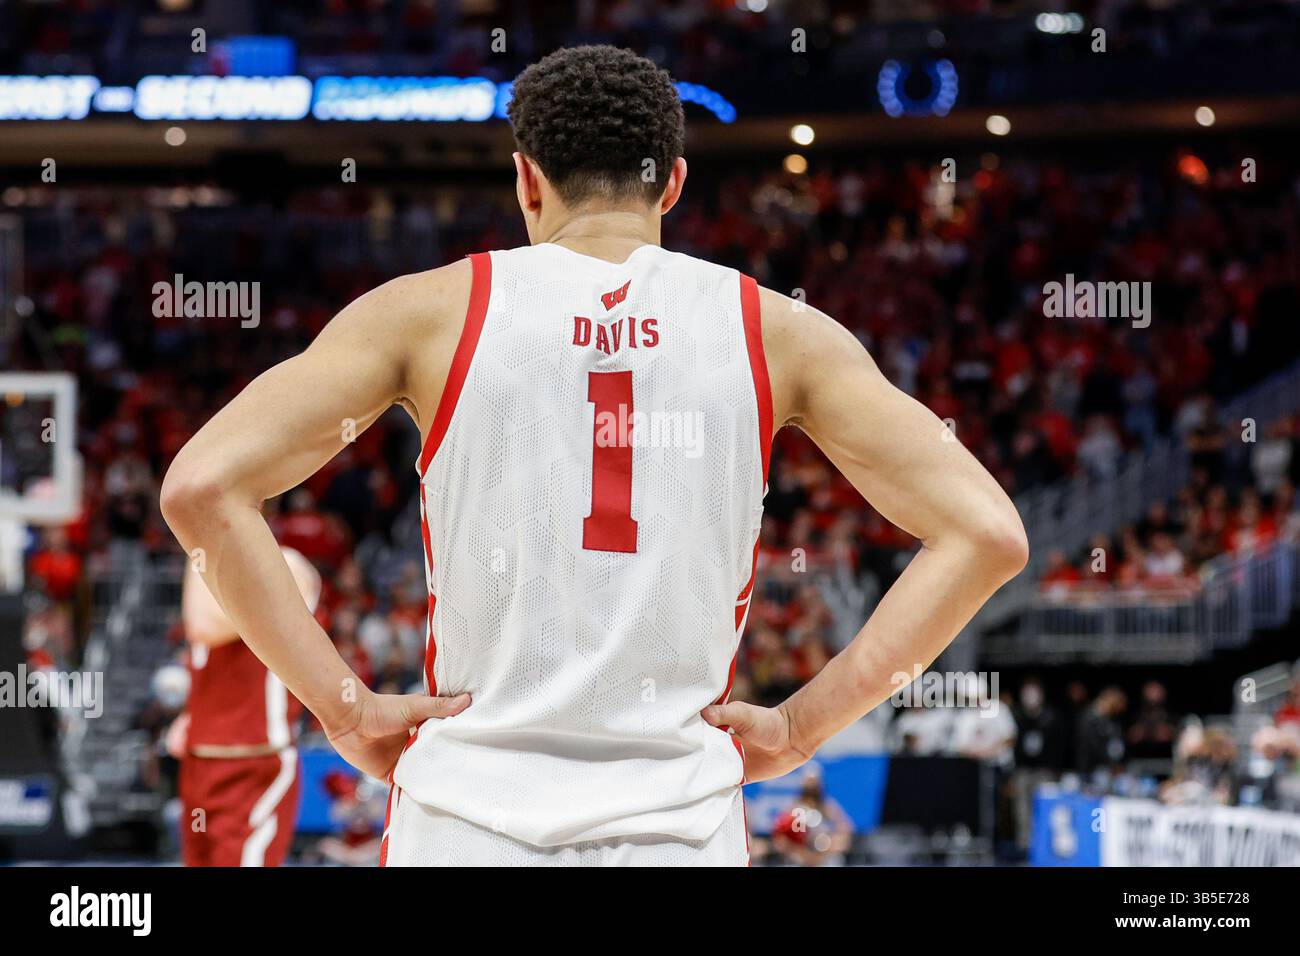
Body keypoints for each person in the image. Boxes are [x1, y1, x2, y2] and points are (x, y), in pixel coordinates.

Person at [160, 45, 1028, 867]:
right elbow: (986, 535)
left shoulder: (426, 312)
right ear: (674, 183)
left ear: (525, 180)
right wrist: (802, 728)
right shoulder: (778, 332)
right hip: (677, 828)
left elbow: (203, 487)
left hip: (466, 821)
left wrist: (344, 713)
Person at [174, 543, 320, 866]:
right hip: (200, 760)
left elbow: (203, 627)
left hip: (256, 764)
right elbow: (209, 655)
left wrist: (195, 546)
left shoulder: (288, 564)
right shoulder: (207, 563)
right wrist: (190, 713)